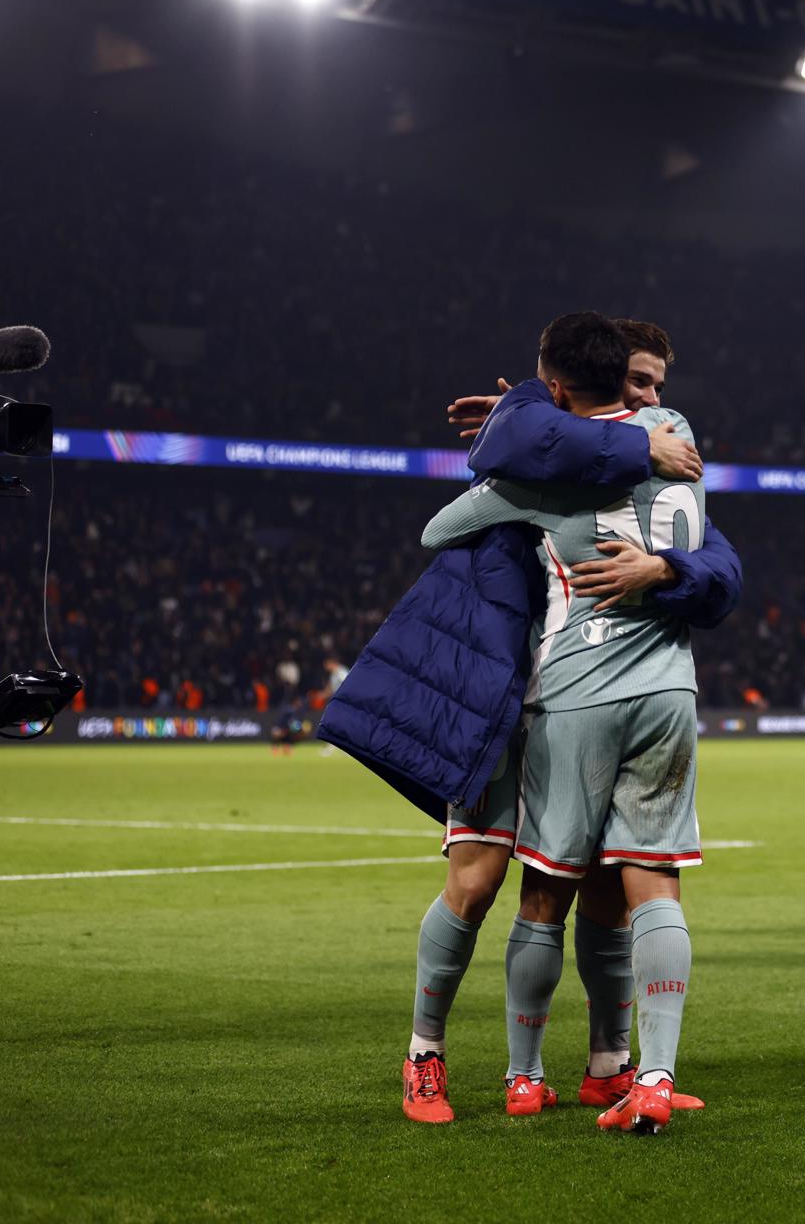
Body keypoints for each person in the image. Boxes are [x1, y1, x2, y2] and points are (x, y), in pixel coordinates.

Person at [322, 315, 738, 1127]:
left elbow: (719, 564)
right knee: (478, 884)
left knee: (599, 892)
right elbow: (464, 500)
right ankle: (424, 1056)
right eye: (637, 385)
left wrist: (665, 565)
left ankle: (606, 1068)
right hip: (497, 692)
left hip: (572, 693)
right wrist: (562, 445)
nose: (652, 405)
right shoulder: (527, 441)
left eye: (658, 388)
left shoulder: (641, 452)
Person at [418, 312, 711, 1134]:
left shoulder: (540, 471)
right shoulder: (677, 442)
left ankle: (524, 1077)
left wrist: (521, 480)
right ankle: (650, 1077)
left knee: (544, 888)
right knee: (653, 883)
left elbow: (440, 529)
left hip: (574, 686)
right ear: (629, 380)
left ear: (551, 387)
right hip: (672, 689)